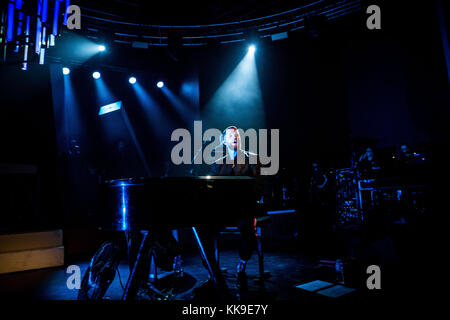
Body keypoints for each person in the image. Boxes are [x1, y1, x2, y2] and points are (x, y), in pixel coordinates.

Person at [210, 126, 261, 290]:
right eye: (231, 135)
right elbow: (212, 187)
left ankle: (242, 265)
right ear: (223, 140)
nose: (235, 137)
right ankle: (211, 267)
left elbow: (258, 186)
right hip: (223, 209)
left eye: (237, 135)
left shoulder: (252, 159)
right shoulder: (218, 162)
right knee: (203, 227)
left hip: (244, 207)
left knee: (248, 229)